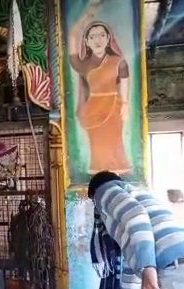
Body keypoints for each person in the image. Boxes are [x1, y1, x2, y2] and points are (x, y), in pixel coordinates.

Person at [69, 6, 131, 175]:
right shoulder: (84, 64)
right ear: (87, 41)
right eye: (92, 36)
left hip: (114, 108)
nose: (97, 39)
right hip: (93, 110)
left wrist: (125, 104)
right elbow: (73, 35)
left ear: (108, 38)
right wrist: (85, 16)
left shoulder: (118, 61)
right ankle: (101, 178)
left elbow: (124, 81)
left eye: (102, 35)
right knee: (97, 147)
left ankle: (115, 178)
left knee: (115, 143)